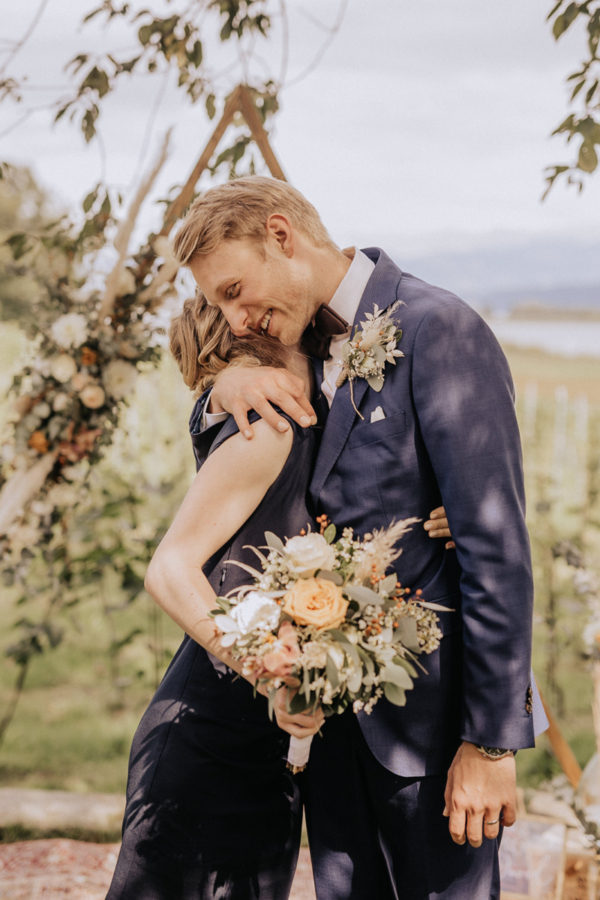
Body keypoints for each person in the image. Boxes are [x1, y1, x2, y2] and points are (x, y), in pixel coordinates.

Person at [171, 175, 549, 900]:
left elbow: (495, 550)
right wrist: (218, 391)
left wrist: (491, 742)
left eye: (234, 290)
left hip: (436, 738)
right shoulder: (294, 345)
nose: (237, 317)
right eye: (221, 304)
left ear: (281, 236)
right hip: (333, 734)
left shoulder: (441, 330)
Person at [104, 286, 454, 899]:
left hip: (270, 743)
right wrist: (272, 675)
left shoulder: (302, 422)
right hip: (211, 735)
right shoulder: (268, 430)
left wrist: (454, 502)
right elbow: (169, 569)